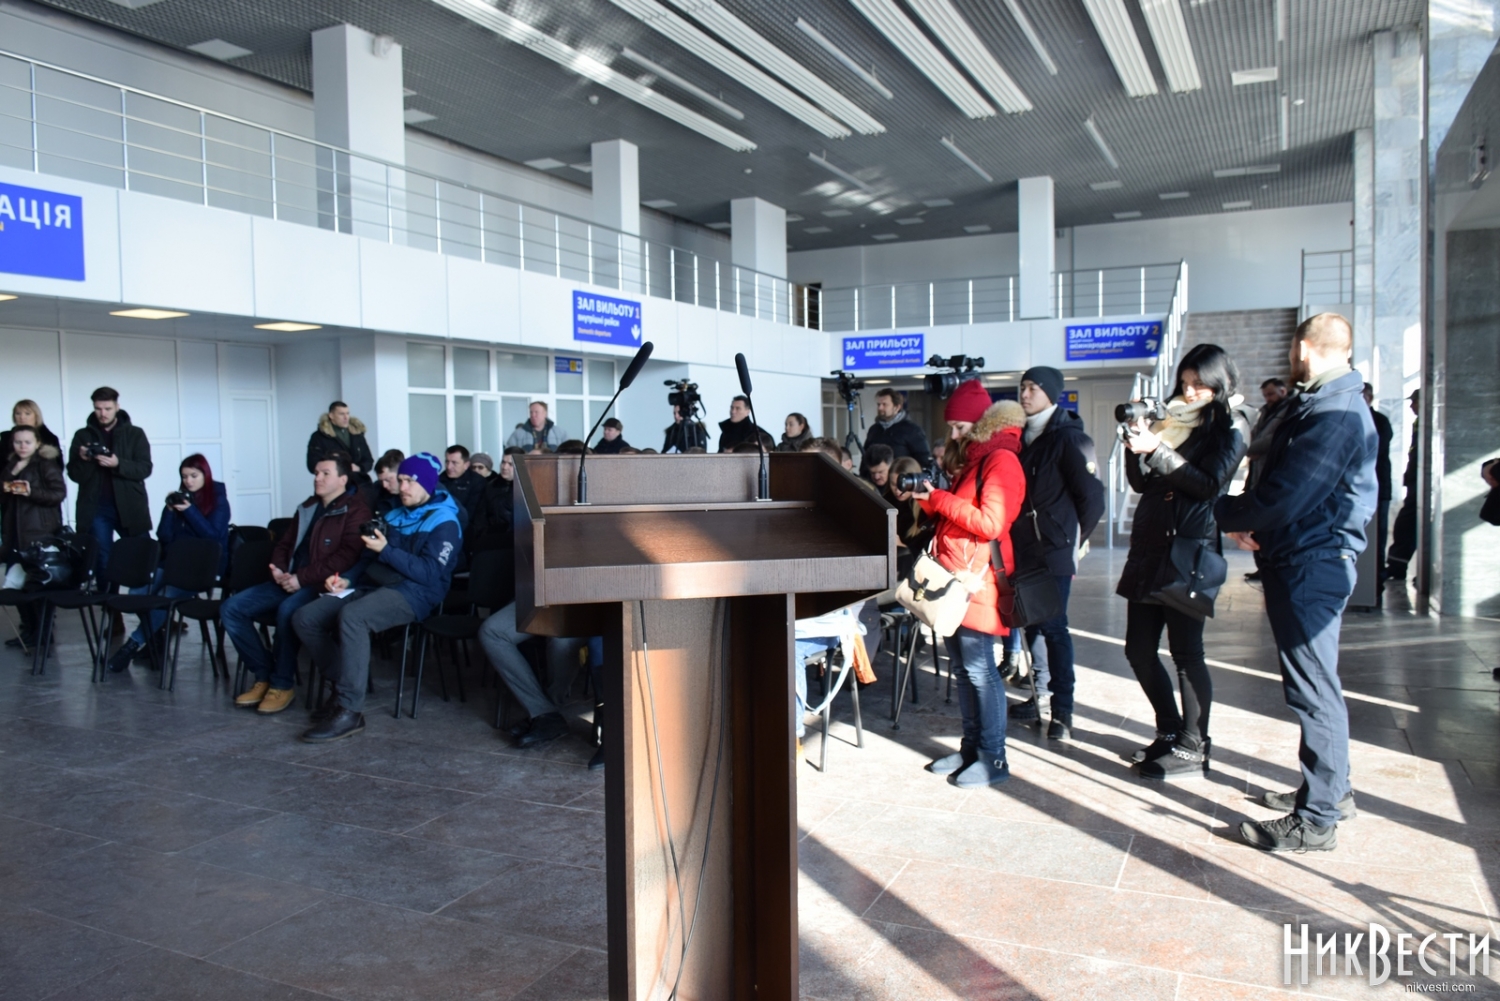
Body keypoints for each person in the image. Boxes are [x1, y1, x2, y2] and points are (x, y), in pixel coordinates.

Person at [1216, 313, 1377, 852]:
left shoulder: (1336, 411)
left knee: (1312, 689)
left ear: (1303, 348)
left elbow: (1289, 494)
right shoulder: (1321, 401)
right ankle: (1332, 792)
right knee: (1314, 683)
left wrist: (1223, 513)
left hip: (1313, 560)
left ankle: (1318, 820)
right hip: (1302, 553)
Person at [1114, 346, 1249, 775]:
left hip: (1189, 549)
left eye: (1199, 384)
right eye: (1185, 382)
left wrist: (1157, 448)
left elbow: (1209, 485)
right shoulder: (1170, 420)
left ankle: (1193, 745)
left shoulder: (1233, 423)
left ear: (1221, 383)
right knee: (1138, 650)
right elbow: (1141, 484)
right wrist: (1135, 444)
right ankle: (1170, 731)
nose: (1189, 392)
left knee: (1187, 653)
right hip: (1151, 544)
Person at [896, 379, 1026, 788]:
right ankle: (972, 748)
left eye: (959, 426)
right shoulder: (977, 459)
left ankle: (993, 756)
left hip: (978, 582)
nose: (953, 435)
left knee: (979, 669)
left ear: (982, 423)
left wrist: (940, 499)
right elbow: (960, 517)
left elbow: (990, 523)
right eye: (951, 427)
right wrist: (928, 501)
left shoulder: (1001, 460)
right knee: (964, 670)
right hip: (956, 580)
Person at [292, 453, 462, 742]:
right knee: (305, 617)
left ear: (427, 484)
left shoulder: (445, 521)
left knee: (353, 617)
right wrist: (347, 579)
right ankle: (343, 686)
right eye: (401, 480)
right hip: (376, 584)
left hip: (416, 593)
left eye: (410, 481)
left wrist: (386, 550)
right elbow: (367, 557)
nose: (401, 487)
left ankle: (350, 710)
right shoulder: (394, 515)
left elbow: (429, 573)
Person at [1004, 366, 1106, 738]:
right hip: (1023, 548)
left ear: (1052, 393)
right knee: (1032, 623)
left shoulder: (1069, 438)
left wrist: (1071, 539)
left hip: (1054, 549)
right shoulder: (1020, 437)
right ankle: (1040, 693)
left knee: (1054, 627)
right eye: (1023, 387)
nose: (1025, 394)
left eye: (1033, 388)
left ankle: (1063, 708)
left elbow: (1092, 499)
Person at [225, 455, 371, 715]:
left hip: (321, 585)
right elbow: (284, 544)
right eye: (316, 473)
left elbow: (346, 556)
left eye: (325, 473)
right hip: (289, 579)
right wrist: (280, 569)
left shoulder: (356, 510)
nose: (317, 478)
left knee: (288, 611)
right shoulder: (307, 507)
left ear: (342, 479)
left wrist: (300, 579)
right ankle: (264, 675)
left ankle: (282, 684)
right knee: (231, 609)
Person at [107, 454, 231, 672]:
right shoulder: (181, 499)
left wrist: (190, 511)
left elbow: (212, 537)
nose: (188, 481)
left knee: (163, 599)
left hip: (201, 567)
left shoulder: (218, 501)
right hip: (173, 562)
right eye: (184, 476)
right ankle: (155, 640)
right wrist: (169, 511)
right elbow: (164, 537)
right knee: (137, 594)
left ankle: (131, 646)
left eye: (194, 476)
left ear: (206, 475)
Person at [479, 600, 601, 758]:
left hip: (586, 603)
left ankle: (547, 712)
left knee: (561, 641)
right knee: (492, 632)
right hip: (542, 596)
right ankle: (545, 712)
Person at [68, 387, 153, 576]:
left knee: (142, 554)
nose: (103, 413)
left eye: (107, 408)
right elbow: (74, 475)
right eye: (98, 409)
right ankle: (107, 595)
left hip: (130, 504)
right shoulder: (83, 436)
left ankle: (142, 594)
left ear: (117, 407)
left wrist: (118, 464)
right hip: (96, 506)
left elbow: (145, 468)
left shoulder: (135, 434)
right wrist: (84, 459)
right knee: (103, 559)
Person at [1, 425, 66, 648]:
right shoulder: (12, 464)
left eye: (27, 442)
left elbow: (59, 494)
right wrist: (10, 478)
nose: (22, 446)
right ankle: (28, 631)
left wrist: (31, 492)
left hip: (39, 534)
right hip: (14, 535)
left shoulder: (45, 465)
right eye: (18, 442)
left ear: (37, 443)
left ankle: (42, 635)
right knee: (15, 587)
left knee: (35, 587)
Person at [1242, 378, 1293, 583]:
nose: (1268, 399)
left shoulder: (1288, 410)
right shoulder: (1265, 411)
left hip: (1271, 472)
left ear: (1283, 391)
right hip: (1257, 472)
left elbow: (1273, 439)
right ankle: (1261, 567)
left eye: (1271, 394)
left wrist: (1249, 449)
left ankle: (1270, 566)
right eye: (1265, 395)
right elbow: (1255, 434)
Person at [1385, 389, 1420, 582]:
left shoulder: (1427, 422)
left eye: (1414, 401)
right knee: (1405, 526)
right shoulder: (1419, 422)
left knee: (1406, 525)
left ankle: (1397, 567)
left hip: (1420, 483)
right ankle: (1397, 566)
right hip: (1416, 481)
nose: (1411, 406)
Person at [1363, 383, 1394, 587]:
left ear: (1370, 398)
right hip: (1359, 489)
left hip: (1378, 487)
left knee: (1377, 535)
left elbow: (1373, 451)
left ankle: (1377, 577)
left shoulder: (1379, 421)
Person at [863, 387, 932, 475]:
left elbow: (924, 459)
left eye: (884, 404)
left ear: (897, 407)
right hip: (875, 480)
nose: (880, 408)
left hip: (901, 479)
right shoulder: (874, 430)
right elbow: (865, 458)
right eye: (878, 404)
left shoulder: (912, 430)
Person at [467, 447, 521, 554]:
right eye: (503, 462)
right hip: (491, 540)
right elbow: (481, 516)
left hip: (516, 542)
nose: (504, 467)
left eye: (510, 464)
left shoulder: (526, 489)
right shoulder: (491, 486)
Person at [307, 401, 374, 484]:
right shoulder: (319, 437)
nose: (346, 417)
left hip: (358, 483)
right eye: (341, 414)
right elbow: (313, 464)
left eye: (347, 413)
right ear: (331, 415)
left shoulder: (357, 434)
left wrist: (359, 468)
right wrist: (337, 469)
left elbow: (368, 460)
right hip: (332, 485)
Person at [0, 399, 61, 464]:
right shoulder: (6, 438)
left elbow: (58, 466)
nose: (22, 417)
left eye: (27, 414)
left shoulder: (49, 438)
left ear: (36, 416)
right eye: (18, 413)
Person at [439, 445, 485, 520]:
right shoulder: (439, 481)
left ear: (466, 465)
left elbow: (475, 513)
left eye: (454, 463)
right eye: (447, 462)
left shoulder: (477, 482)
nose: (449, 467)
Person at [364, 450, 404, 518]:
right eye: (381, 481)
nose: (384, 485)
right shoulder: (376, 490)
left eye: (388, 480)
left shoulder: (415, 493)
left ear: (400, 474)